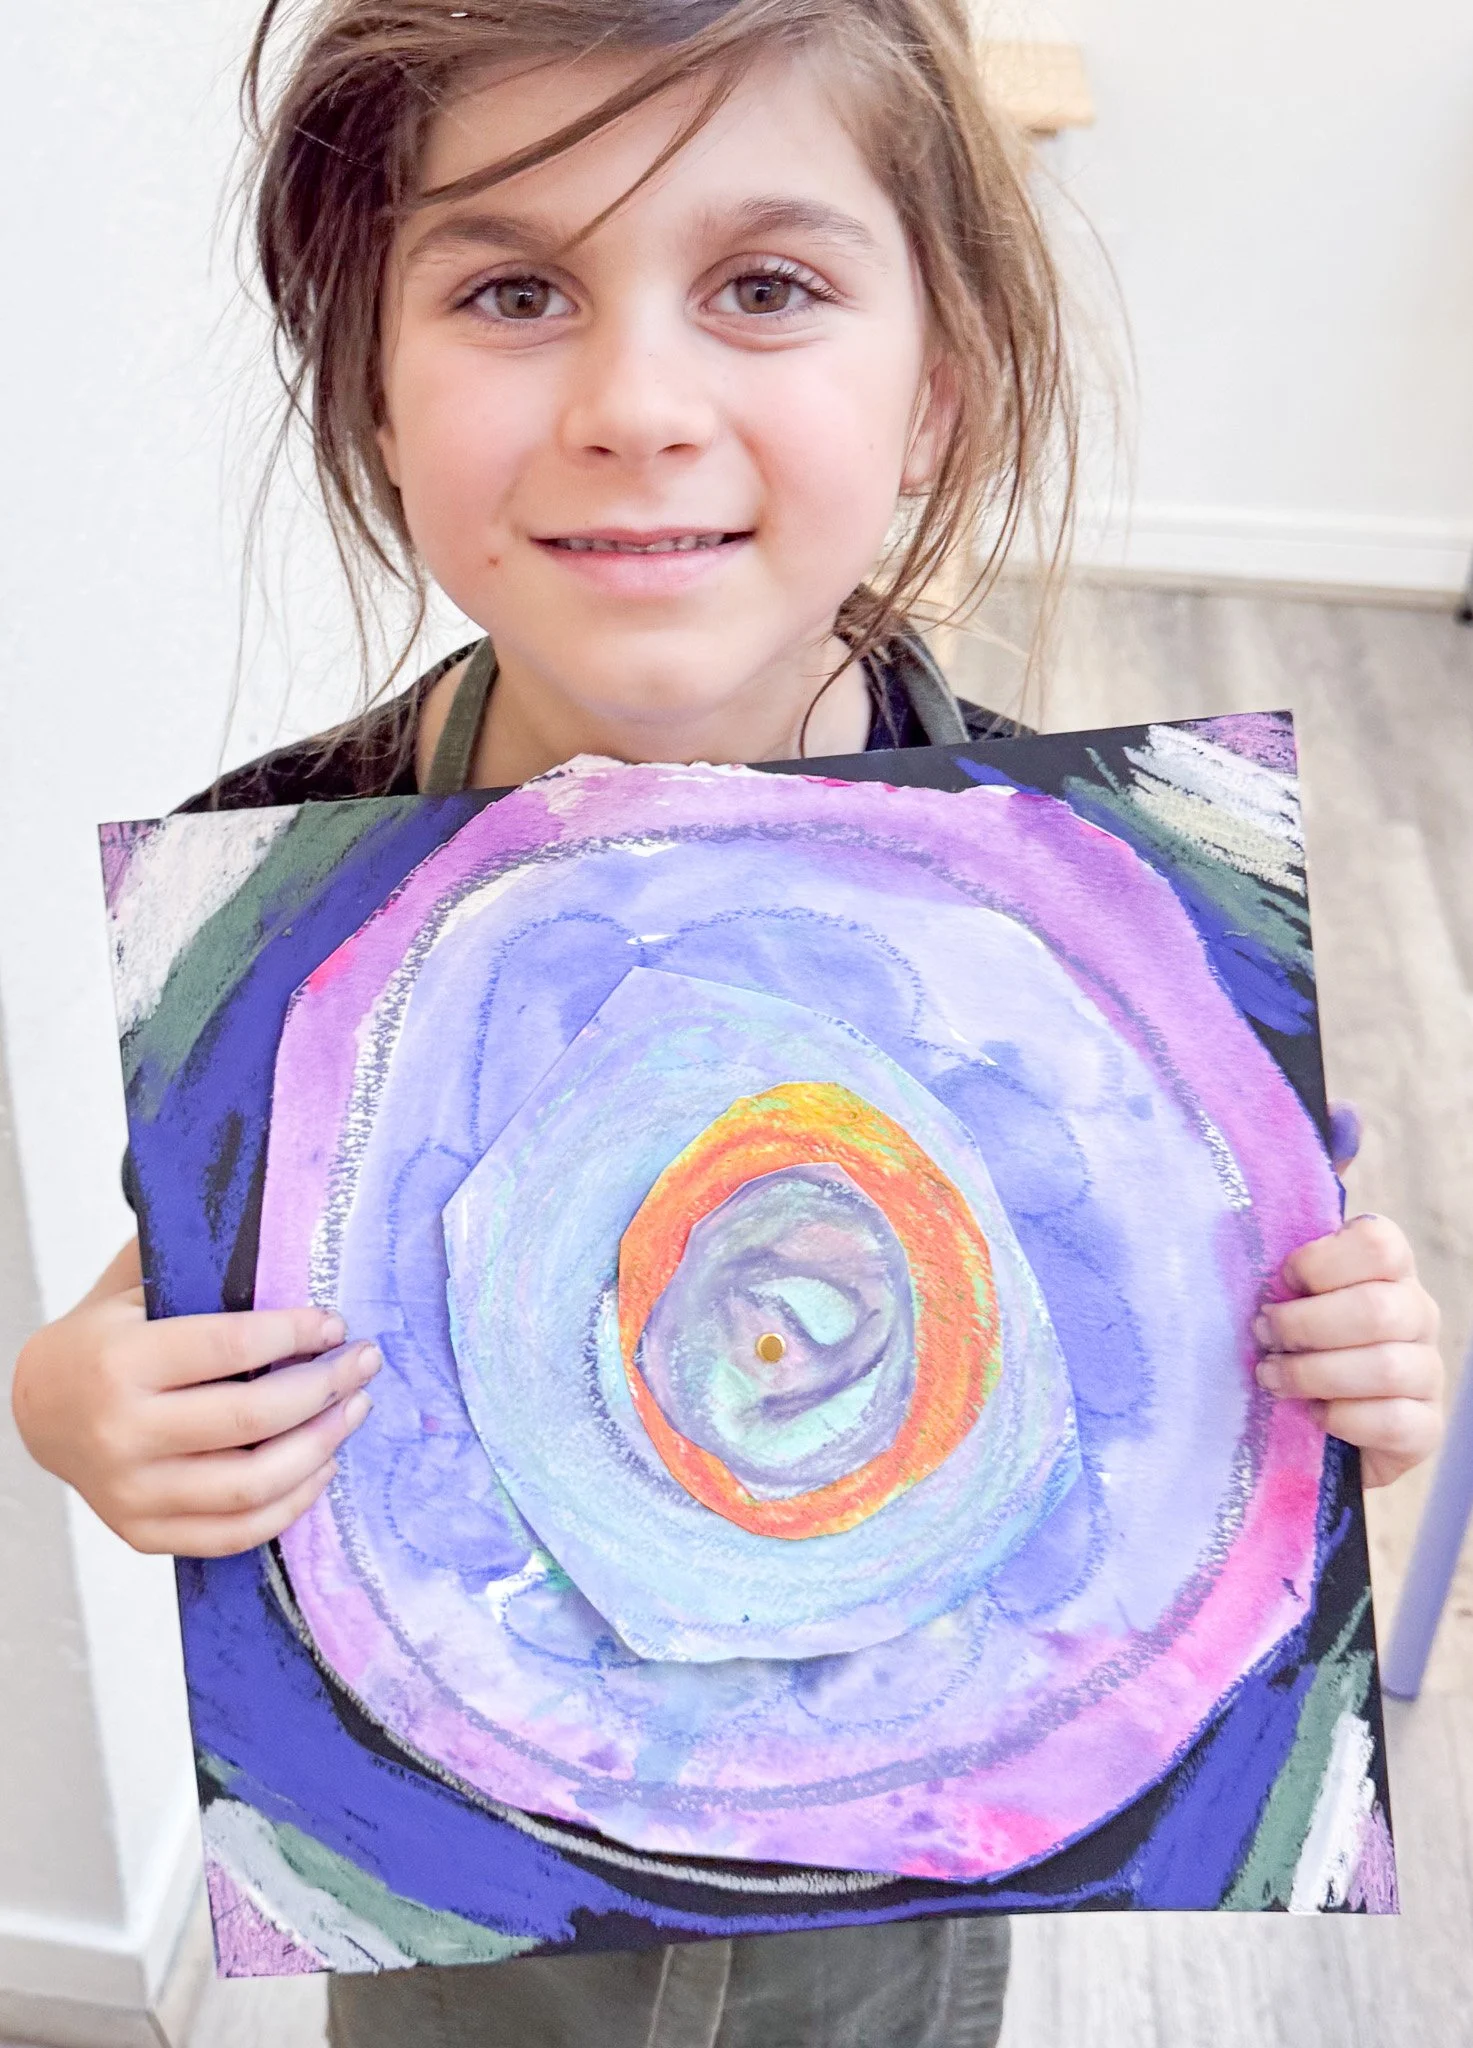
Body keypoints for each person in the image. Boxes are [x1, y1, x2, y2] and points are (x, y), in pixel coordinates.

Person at [10, 1, 1446, 2043]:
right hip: (461, 1946)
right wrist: (78, 1399)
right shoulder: (278, 902)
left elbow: (1232, 1366)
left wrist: (1354, 1375)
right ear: (375, 381)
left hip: (880, 1950)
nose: (636, 400)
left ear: (933, 386)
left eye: (764, 285)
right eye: (514, 288)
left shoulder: (1105, 928)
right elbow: (195, 1295)